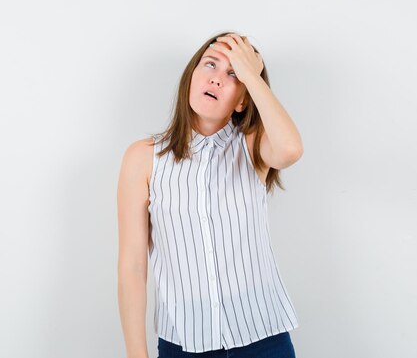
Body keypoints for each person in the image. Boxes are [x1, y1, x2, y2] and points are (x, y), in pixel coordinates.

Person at [117, 31, 304, 358]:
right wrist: (136, 353)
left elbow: (290, 149)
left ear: (243, 99)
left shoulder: (253, 147)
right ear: (191, 77)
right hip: (184, 344)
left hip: (264, 339)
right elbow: (132, 264)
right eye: (210, 65)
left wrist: (252, 76)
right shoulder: (143, 158)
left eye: (233, 74)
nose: (217, 79)